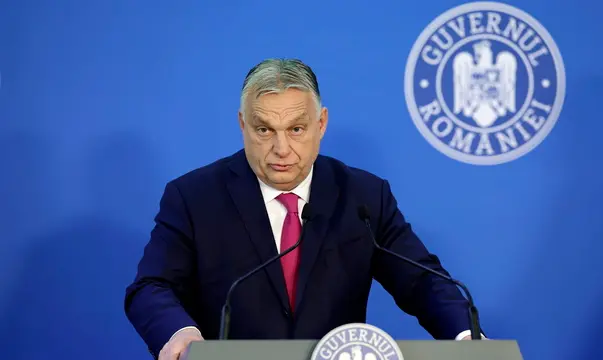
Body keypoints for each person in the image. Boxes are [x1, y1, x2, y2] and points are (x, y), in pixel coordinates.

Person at [124, 58, 482, 360]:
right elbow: (151, 286)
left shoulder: (363, 196)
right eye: (265, 129)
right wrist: (180, 331)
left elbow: (421, 280)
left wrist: (466, 337)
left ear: (321, 123)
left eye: (296, 129)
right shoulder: (194, 197)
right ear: (242, 125)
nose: (281, 148)